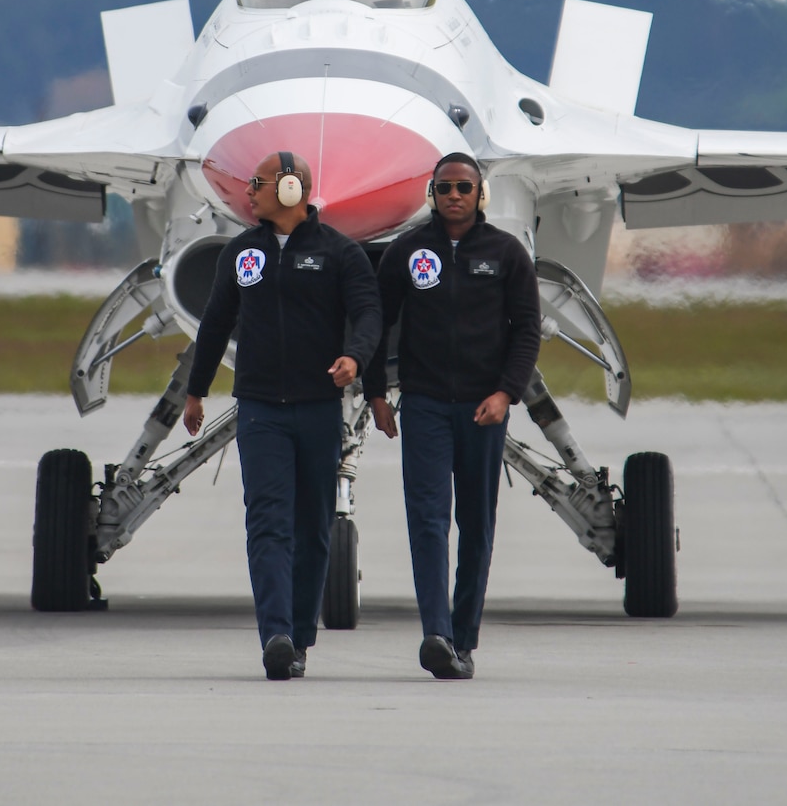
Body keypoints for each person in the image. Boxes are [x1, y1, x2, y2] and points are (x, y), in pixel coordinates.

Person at [184, 150, 381, 681]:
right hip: (260, 410)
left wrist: (355, 356)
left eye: (259, 183)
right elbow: (215, 321)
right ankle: (274, 633)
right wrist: (196, 390)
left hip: (318, 409)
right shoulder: (240, 254)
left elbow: (367, 313)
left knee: (313, 526)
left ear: (291, 190)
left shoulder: (341, 254)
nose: (248, 192)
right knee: (267, 521)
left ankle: (299, 635)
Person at [365, 152, 538, 680]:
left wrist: (507, 393)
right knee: (427, 520)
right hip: (425, 404)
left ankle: (463, 638)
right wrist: (376, 393)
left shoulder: (507, 254)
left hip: (485, 409)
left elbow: (527, 330)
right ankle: (435, 634)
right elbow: (376, 321)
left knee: (477, 524)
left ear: (479, 193)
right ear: (432, 194)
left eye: (464, 187)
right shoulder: (406, 251)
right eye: (445, 188)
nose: (454, 196)